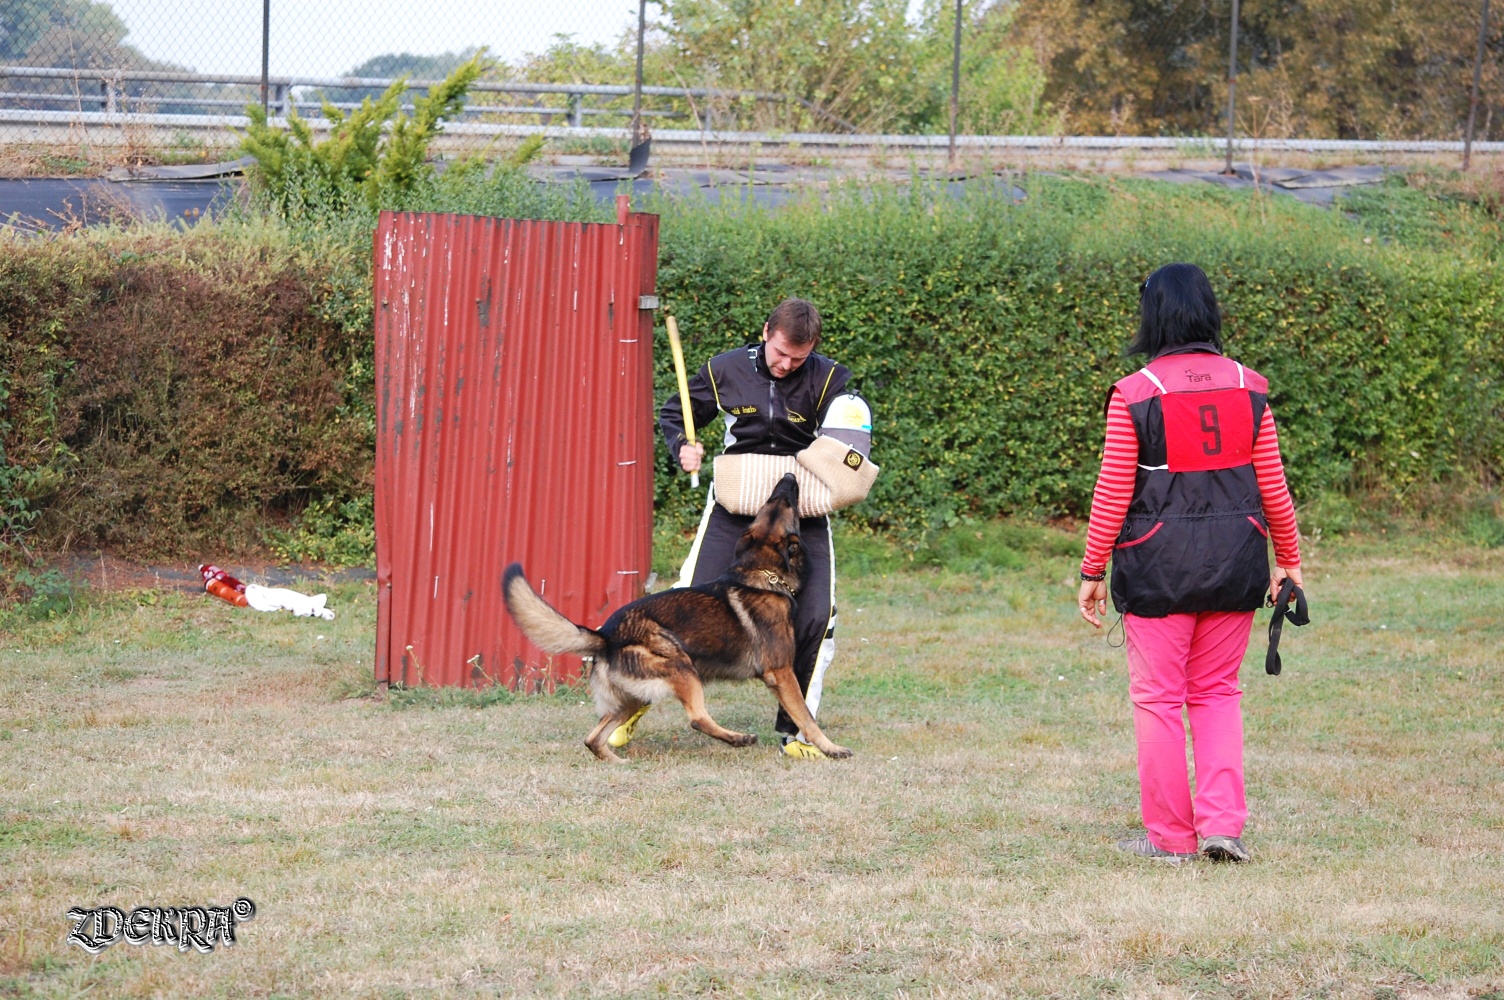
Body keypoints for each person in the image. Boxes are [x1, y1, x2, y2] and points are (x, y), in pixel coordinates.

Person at [1077, 263, 1303, 863]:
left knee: (1157, 699)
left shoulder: (1135, 392)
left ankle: (1171, 840)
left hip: (1155, 569)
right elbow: (1274, 488)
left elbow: (1113, 491)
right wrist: (1289, 560)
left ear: (1153, 315)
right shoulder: (1250, 388)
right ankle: (1223, 828)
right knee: (1217, 693)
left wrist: (1092, 571)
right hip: (1236, 565)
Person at [613, 297, 869, 759]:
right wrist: (683, 446)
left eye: (800, 357)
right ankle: (630, 707)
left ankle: (797, 735)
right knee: (684, 599)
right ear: (767, 331)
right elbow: (677, 415)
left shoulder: (830, 378)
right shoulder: (725, 369)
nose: (789, 365)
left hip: (799, 511)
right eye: (781, 353)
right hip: (736, 506)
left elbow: (849, 440)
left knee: (817, 616)